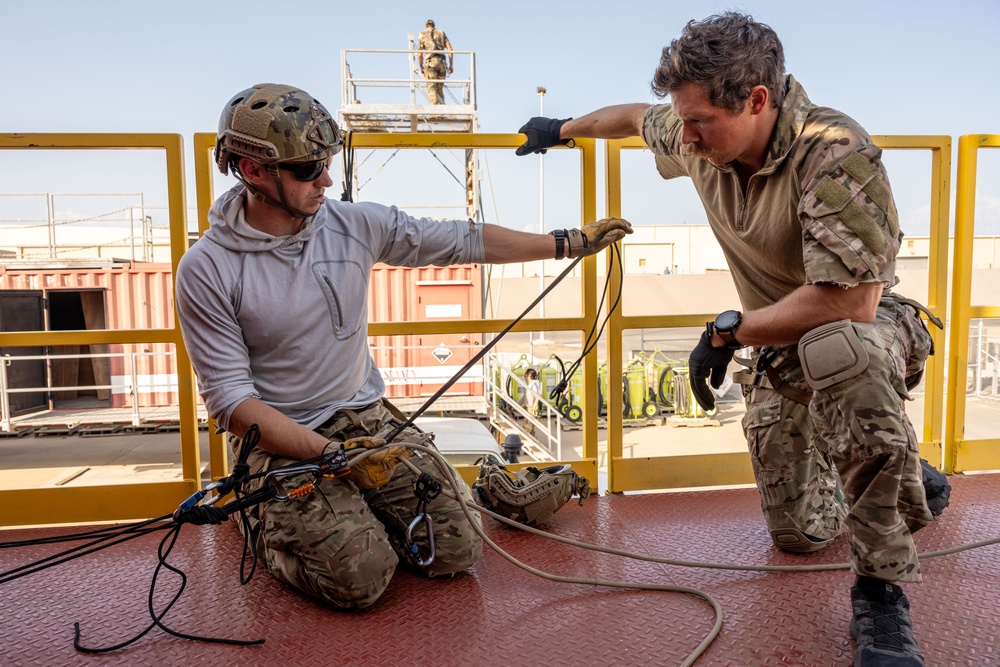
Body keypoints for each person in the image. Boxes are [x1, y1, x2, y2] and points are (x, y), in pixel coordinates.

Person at [516, 12, 935, 667]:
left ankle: (882, 591)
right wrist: (560, 130)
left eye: (700, 121)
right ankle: (903, 466)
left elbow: (851, 301)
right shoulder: (694, 131)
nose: (682, 136)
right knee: (798, 533)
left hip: (866, 327)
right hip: (777, 339)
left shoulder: (835, 149)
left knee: (841, 352)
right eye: (681, 119)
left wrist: (730, 330)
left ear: (757, 101)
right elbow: (632, 117)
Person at [175, 83, 631, 611]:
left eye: (327, 163)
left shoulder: (351, 225)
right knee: (359, 579)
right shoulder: (208, 269)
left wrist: (567, 243)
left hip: (365, 419)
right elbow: (233, 405)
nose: (325, 180)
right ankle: (255, 516)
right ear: (253, 171)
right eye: (307, 169)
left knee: (456, 550)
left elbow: (462, 238)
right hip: (282, 439)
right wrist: (333, 457)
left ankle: (349, 517)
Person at [417, 19, 452, 104]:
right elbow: (450, 49)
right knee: (439, 88)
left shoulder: (422, 34)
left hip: (431, 62)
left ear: (426, 26)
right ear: (434, 26)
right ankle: (441, 111)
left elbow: (419, 53)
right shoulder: (442, 33)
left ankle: (436, 112)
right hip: (442, 62)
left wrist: (421, 66)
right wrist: (451, 65)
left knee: (432, 87)